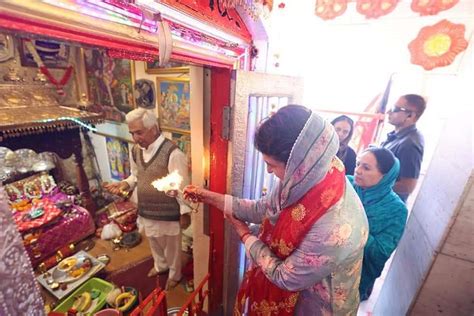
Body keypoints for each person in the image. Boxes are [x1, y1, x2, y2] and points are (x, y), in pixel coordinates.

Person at [184, 105, 368, 315]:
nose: (268, 171)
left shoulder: (336, 227)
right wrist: (207, 196)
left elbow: (286, 277)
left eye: (272, 164)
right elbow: (262, 208)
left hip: (318, 305)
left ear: (298, 163)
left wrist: (244, 234)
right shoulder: (307, 174)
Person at [103, 108, 191, 290]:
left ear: (153, 128)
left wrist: (185, 213)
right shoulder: (136, 151)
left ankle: (175, 274)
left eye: (139, 132)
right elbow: (136, 175)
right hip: (146, 210)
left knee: (172, 247)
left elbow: (182, 187)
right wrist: (124, 184)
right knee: (154, 242)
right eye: (132, 133)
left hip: (168, 212)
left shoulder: (173, 153)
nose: (135, 138)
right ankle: (160, 266)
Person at [348, 147, 408, 301]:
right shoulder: (346, 185)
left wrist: (349, 227)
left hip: (353, 276)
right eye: (357, 164)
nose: (358, 171)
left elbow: (380, 252)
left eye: (366, 168)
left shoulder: (396, 210)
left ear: (386, 175)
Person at [381, 94, 426, 202]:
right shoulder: (396, 136)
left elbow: (408, 186)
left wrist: (373, 186)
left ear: (410, 115)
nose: (388, 112)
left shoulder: (409, 144)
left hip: (386, 207)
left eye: (395, 109)